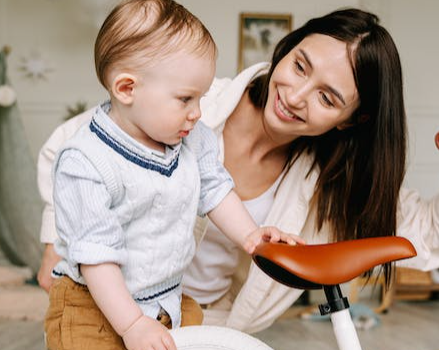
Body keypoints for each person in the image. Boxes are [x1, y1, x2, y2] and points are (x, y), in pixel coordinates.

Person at [38, 7, 439, 335]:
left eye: (327, 99)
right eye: (299, 65)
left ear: (352, 120)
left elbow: (431, 234)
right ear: (287, 47)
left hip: (203, 322)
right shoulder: (193, 108)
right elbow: (70, 146)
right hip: (111, 304)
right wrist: (58, 240)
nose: (295, 96)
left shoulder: (337, 182)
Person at [43, 1, 303, 350]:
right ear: (127, 89)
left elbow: (216, 190)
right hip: (92, 304)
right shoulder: (86, 162)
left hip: (166, 298)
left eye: (201, 97)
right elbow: (97, 258)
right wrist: (133, 323)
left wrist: (252, 236)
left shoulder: (192, 139)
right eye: (185, 99)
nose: (197, 113)